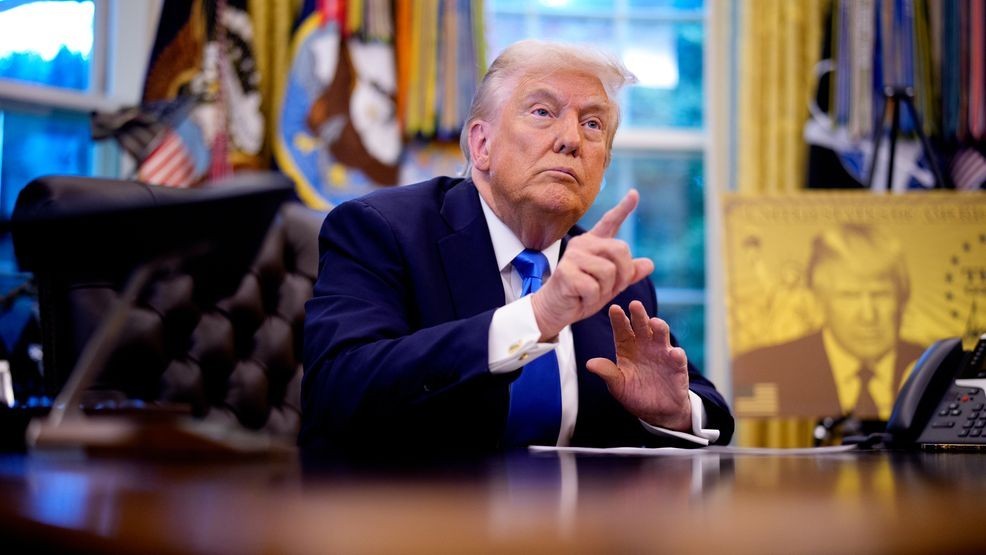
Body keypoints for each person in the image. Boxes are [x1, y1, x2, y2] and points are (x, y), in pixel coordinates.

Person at [300, 40, 734, 454]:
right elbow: (336, 389)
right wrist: (536, 317)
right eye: (543, 112)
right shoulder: (381, 231)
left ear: (603, 166)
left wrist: (674, 412)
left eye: (592, 124)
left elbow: (707, 406)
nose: (571, 139)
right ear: (482, 145)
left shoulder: (612, 278)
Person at [732, 223, 926, 421]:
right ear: (820, 300)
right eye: (849, 295)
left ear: (902, 299)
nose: (868, 315)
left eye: (880, 294)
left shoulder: (933, 370)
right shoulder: (763, 369)